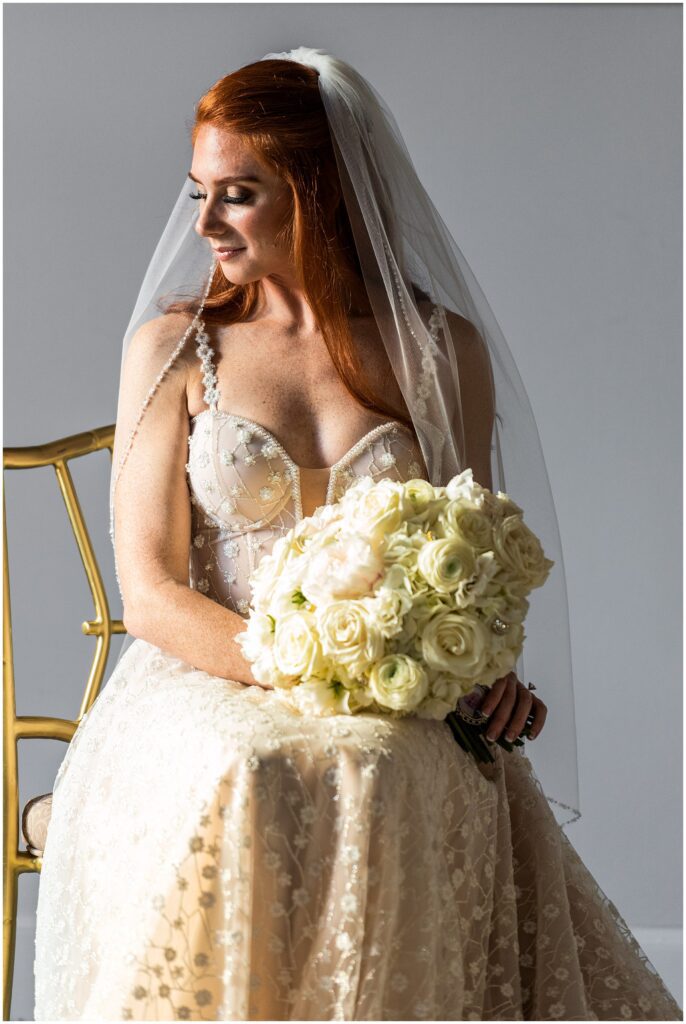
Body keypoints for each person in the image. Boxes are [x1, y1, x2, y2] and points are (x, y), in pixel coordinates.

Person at [33, 48, 682, 1021]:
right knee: (261, 768)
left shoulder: (436, 348)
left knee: (382, 763)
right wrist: (302, 667)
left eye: (238, 194)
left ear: (319, 192)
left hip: (387, 688)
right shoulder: (173, 348)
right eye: (198, 192)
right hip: (208, 671)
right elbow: (153, 592)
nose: (204, 222)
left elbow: (470, 558)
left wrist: (479, 669)